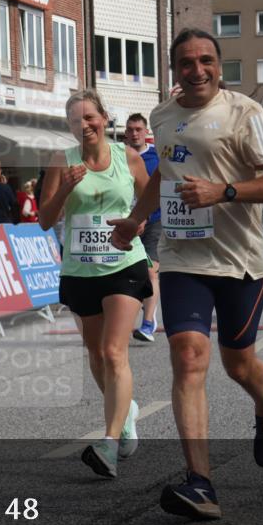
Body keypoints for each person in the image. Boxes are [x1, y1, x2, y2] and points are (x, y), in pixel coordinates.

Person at [109, 28, 263, 520]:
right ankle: (200, 484)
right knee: (188, 356)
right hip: (181, 257)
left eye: (205, 61)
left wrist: (224, 192)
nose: (197, 70)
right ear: (175, 69)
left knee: (239, 367)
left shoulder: (245, 114)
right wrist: (135, 219)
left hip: (239, 262)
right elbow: (163, 180)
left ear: (219, 63)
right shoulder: (162, 116)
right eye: (186, 63)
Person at [39, 89, 151, 479]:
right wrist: (67, 187)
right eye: (74, 121)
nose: (83, 125)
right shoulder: (61, 161)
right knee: (96, 355)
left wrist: (137, 221)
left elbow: (147, 203)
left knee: (113, 350)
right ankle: (127, 413)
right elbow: (43, 217)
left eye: (89, 117)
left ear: (104, 118)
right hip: (81, 270)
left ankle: (108, 443)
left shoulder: (128, 157)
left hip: (124, 264)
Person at [123, 112, 162, 342]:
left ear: (146, 132)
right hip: (126, 223)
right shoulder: (118, 156)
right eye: (130, 129)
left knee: (150, 270)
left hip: (155, 221)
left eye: (139, 129)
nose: (135, 133)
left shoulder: (156, 157)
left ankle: (148, 323)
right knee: (129, 275)